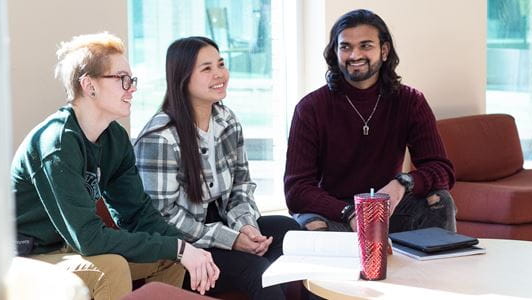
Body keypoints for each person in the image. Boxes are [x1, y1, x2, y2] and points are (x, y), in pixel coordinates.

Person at [11, 32, 219, 300]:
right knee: (111, 269)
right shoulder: (58, 143)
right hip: (27, 256)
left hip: (68, 247)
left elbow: (138, 213)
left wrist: (186, 248)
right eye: (122, 79)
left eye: (131, 80)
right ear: (89, 85)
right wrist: (177, 247)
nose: (132, 88)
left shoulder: (115, 138)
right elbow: (89, 239)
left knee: (168, 259)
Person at [133, 36, 300, 300]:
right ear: (183, 78)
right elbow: (161, 218)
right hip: (185, 250)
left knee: (289, 231)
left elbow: (241, 186)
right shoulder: (160, 138)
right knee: (258, 273)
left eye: (221, 64)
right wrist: (230, 239)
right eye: (207, 68)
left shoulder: (227, 120)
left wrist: (246, 228)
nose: (219, 74)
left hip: (223, 228)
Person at [284, 9, 457, 233]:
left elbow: (442, 170)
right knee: (311, 226)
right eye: (345, 47)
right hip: (334, 214)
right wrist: (350, 213)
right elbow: (296, 190)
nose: (355, 55)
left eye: (365, 45)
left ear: (384, 51)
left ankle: (436, 269)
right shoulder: (310, 108)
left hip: (389, 210)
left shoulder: (410, 101)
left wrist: (403, 182)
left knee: (439, 201)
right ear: (335, 52)